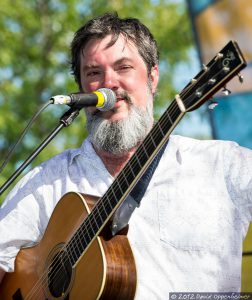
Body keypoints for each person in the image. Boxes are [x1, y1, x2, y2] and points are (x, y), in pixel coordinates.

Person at [0, 12, 251, 299]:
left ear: (152, 78)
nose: (109, 84)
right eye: (94, 73)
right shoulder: (47, 182)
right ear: (81, 89)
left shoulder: (222, 165)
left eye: (124, 67)